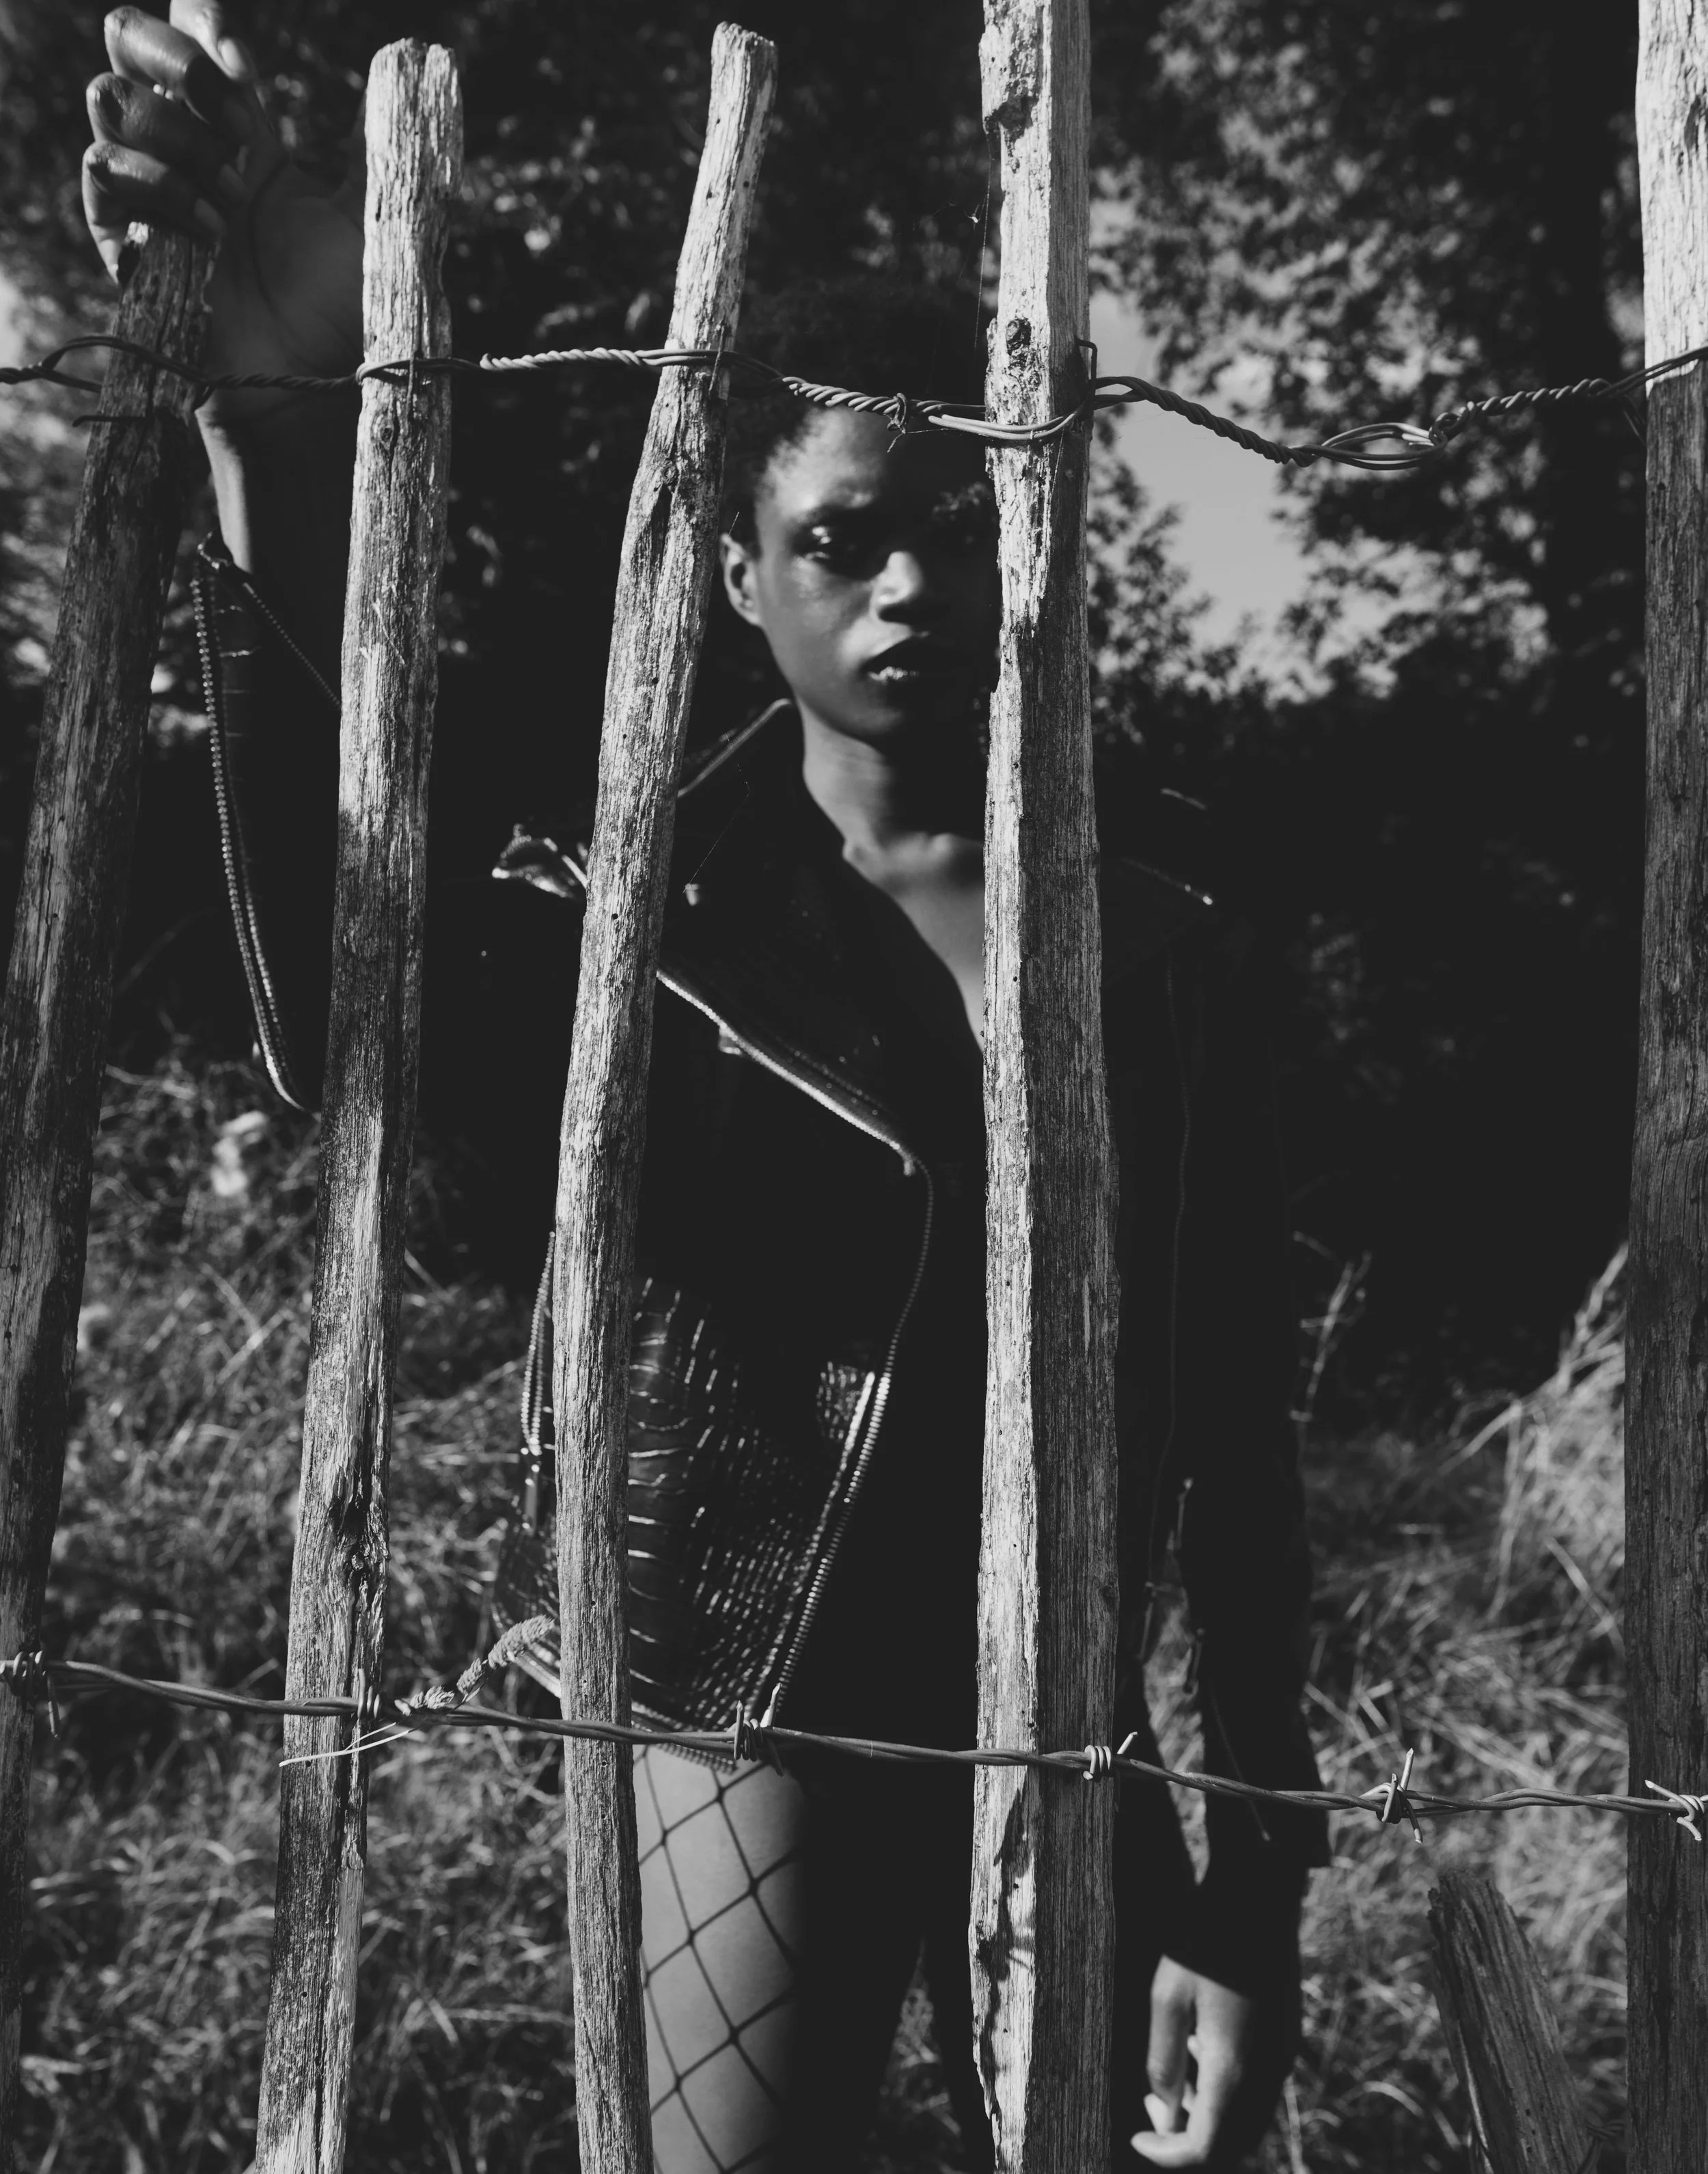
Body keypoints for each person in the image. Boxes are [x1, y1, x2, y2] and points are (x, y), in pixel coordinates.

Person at [81, 10, 1330, 2169]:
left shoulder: (1177, 947)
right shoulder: (630, 934)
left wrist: (1251, 1882)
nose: (916, 581)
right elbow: (345, 1038)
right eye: (848, 540)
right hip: (744, 1699)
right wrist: (278, 445)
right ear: (739, 579)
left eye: (959, 521)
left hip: (1070, 1723)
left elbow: (1230, 1432)